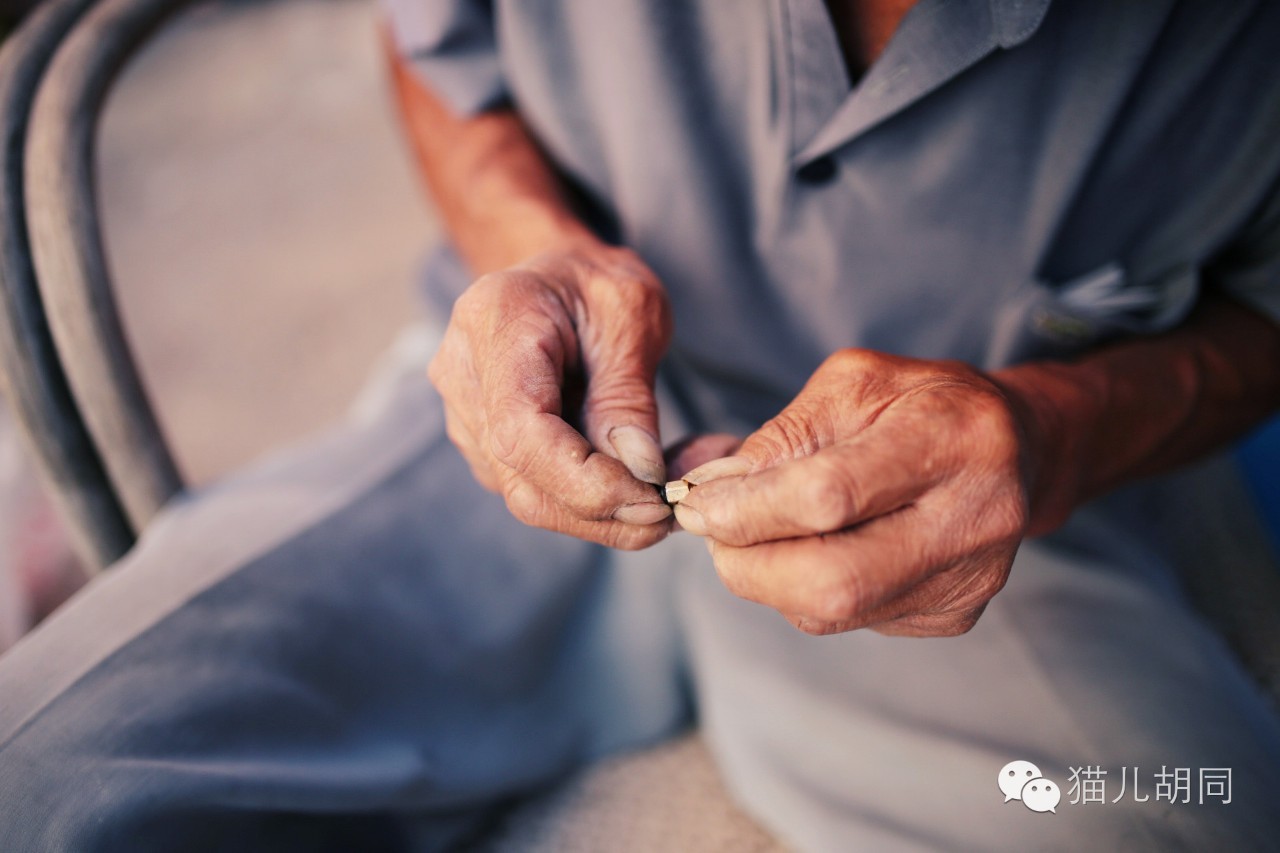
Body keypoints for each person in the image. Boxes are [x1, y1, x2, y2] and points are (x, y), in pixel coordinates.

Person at [3, 0, 1280, 848]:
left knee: (1199, 806)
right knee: (55, 771)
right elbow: (432, 48)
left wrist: (1046, 432)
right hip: (518, 439)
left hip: (972, 543)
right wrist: (533, 250)